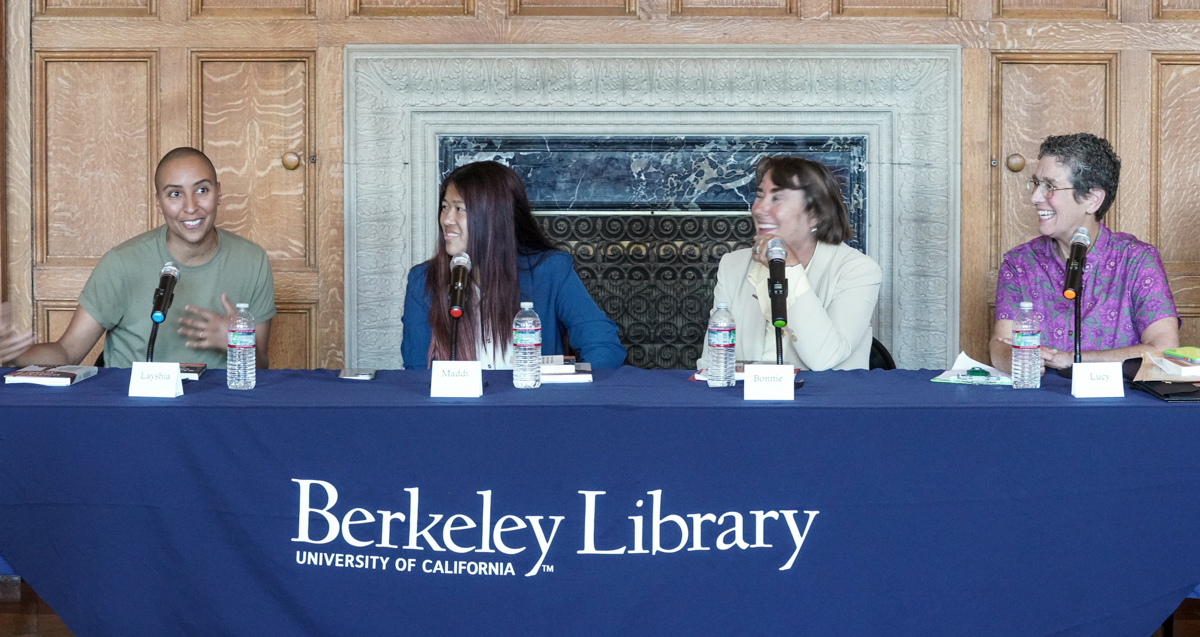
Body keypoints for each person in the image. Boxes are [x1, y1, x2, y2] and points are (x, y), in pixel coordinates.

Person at [0, 147, 275, 369]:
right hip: (133, 411)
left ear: (218, 193)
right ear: (159, 202)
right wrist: (16, 353)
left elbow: (260, 364)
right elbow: (67, 352)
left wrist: (237, 343)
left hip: (213, 411)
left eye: (202, 190)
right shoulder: (121, 263)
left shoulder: (252, 260)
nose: (191, 207)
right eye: (175, 194)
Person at [401, 161, 625, 370]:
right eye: (444, 207)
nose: (447, 219)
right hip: (455, 409)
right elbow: (417, 369)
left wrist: (565, 391)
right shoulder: (423, 280)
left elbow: (604, 347)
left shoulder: (549, 271)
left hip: (533, 405)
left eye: (460, 209)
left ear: (494, 218)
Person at [990, 133, 1178, 373]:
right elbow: (1000, 345)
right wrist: (1018, 358)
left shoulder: (1137, 260)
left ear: (1092, 199)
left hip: (1116, 404)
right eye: (1036, 183)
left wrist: (1072, 360)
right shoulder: (1019, 263)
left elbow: (1164, 349)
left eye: (1050, 186)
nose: (1035, 197)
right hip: (1041, 400)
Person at [705, 156, 882, 370]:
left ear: (815, 214)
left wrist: (790, 268)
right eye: (759, 196)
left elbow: (825, 358)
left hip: (826, 401)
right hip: (744, 400)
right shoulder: (733, 265)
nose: (759, 209)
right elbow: (712, 362)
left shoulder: (858, 270)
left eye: (777, 198)